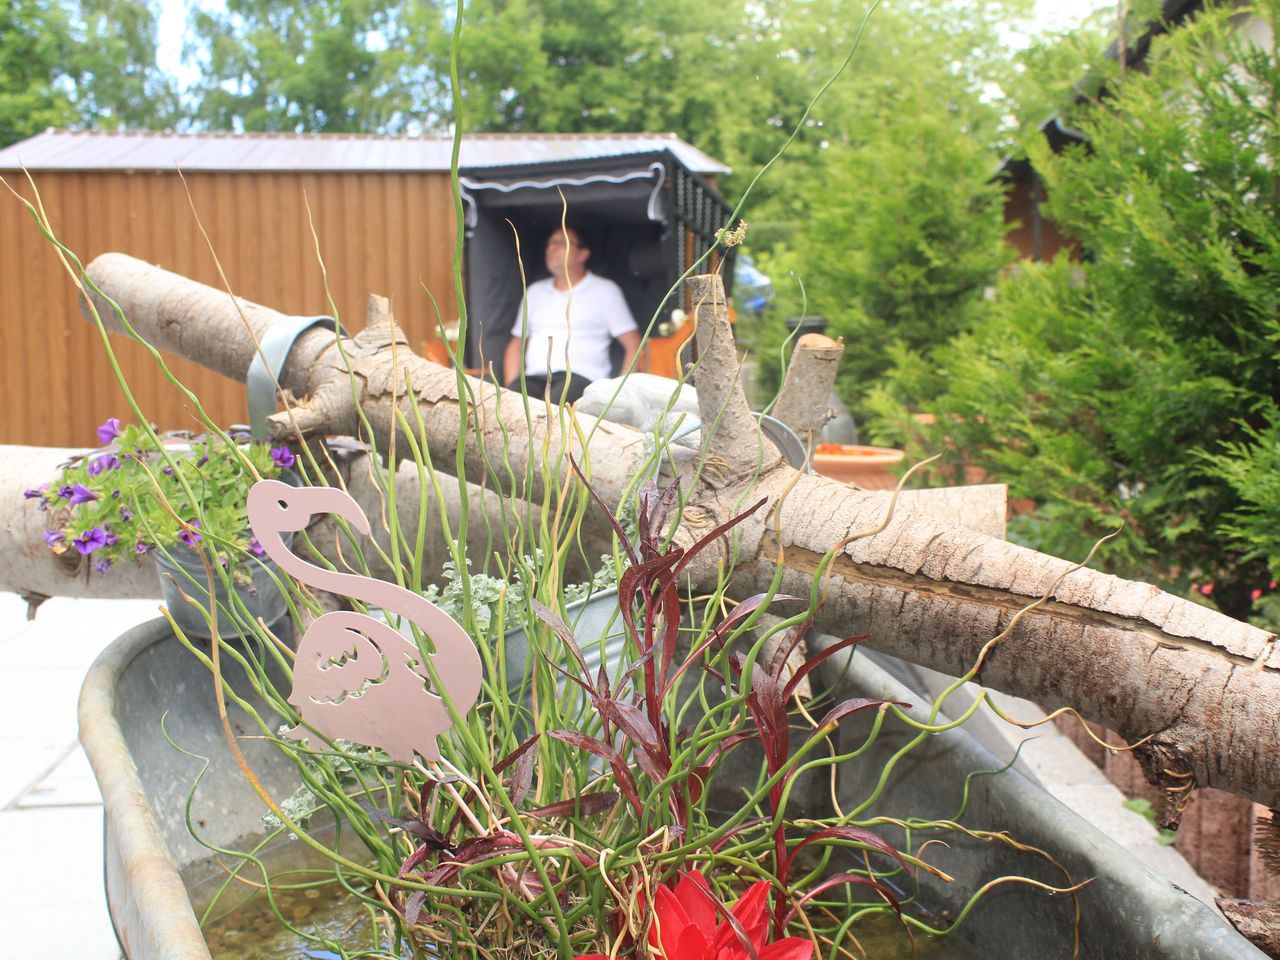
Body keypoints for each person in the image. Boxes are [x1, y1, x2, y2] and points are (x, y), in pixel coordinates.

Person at [503, 224, 641, 403]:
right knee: (511, 405)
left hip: (582, 379)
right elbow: (516, 344)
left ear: (583, 254)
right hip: (534, 379)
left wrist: (618, 394)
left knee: (551, 410)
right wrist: (511, 387)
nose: (552, 248)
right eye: (550, 243)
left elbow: (635, 344)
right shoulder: (534, 292)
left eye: (561, 243)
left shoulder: (606, 291)